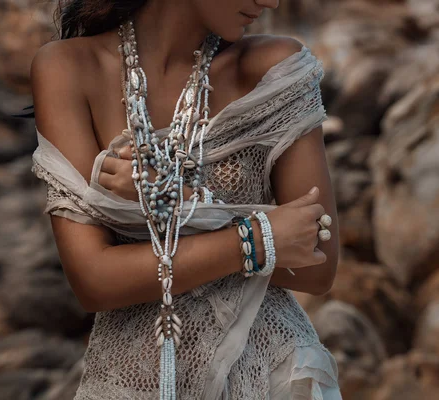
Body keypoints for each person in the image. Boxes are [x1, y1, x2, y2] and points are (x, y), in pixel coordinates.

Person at [30, 0, 341, 398]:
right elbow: (95, 280)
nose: (271, 1)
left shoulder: (275, 70)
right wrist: (258, 238)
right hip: (131, 381)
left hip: (271, 373)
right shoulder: (68, 69)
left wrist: (179, 199)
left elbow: (318, 265)